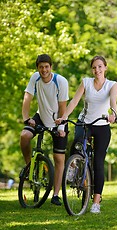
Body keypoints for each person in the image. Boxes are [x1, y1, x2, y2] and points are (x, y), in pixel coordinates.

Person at [55, 55, 117, 213]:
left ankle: (96, 202)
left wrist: (114, 114)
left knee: (98, 163)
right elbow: (75, 101)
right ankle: (74, 167)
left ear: (105, 68)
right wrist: (64, 117)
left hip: (102, 125)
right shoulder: (86, 82)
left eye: (100, 66)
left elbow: (113, 103)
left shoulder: (112, 85)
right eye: (94, 67)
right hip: (85, 122)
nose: (97, 70)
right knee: (76, 144)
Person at [20, 54, 69, 206]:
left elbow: (63, 107)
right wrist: (27, 118)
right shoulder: (35, 78)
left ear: (51, 67)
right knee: (25, 135)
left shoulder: (60, 81)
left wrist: (61, 127)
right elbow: (27, 97)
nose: (44, 70)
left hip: (58, 120)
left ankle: (55, 194)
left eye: (46, 66)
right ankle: (30, 167)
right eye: (41, 67)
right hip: (41, 116)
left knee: (59, 158)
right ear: (37, 68)